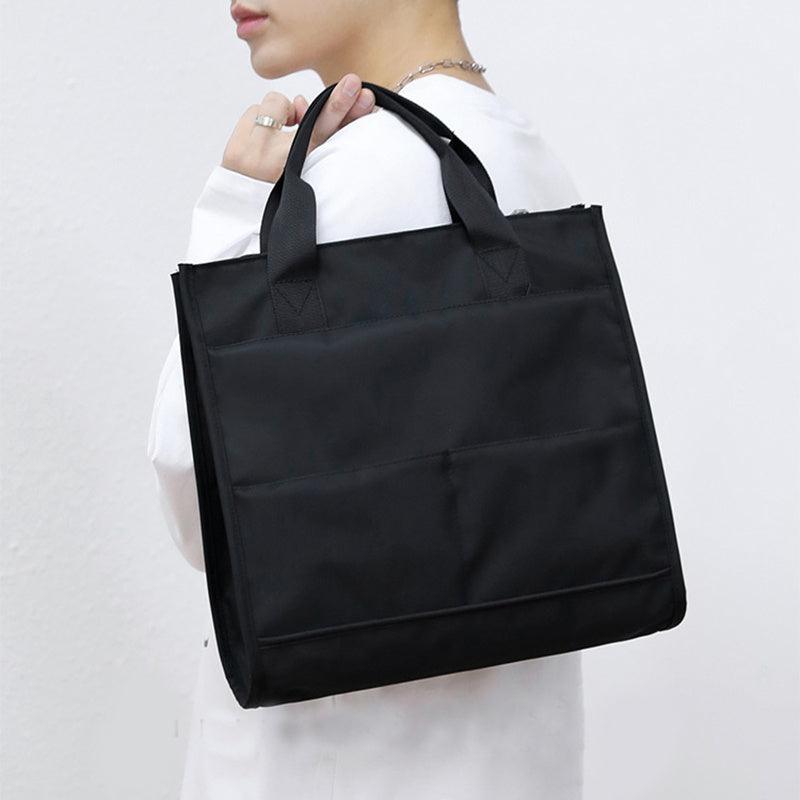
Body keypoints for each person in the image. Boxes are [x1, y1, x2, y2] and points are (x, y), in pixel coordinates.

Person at [147, 1, 585, 796]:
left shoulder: (353, 179)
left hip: (337, 762)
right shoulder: (523, 154)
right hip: (509, 762)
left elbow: (202, 488)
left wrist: (235, 206)